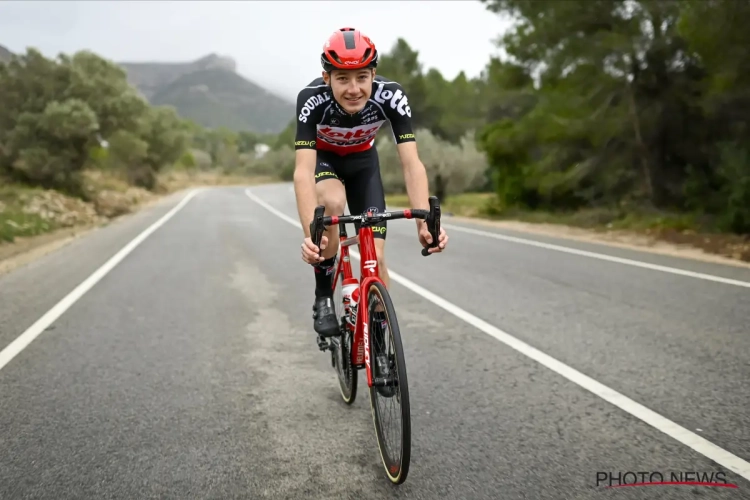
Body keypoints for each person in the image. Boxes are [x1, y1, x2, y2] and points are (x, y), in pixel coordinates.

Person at [293, 27, 449, 338]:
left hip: (364, 164)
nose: (354, 89)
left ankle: (379, 336)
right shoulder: (311, 100)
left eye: (362, 77)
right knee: (334, 203)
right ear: (327, 78)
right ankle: (323, 295)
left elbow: (411, 163)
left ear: (373, 74)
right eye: (342, 79)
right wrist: (310, 234)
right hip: (325, 161)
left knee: (375, 257)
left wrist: (423, 221)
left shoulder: (390, 95)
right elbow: (302, 172)